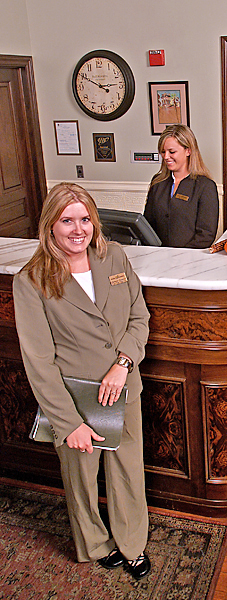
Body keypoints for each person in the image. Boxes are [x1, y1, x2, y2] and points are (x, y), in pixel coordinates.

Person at [13, 183, 151, 580]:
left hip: (123, 388)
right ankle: (93, 543)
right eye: (67, 220)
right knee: (81, 479)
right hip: (74, 399)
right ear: (50, 226)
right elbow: (38, 360)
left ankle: (132, 544)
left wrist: (123, 362)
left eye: (85, 218)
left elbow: (140, 318)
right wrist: (67, 422)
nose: (79, 229)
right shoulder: (32, 281)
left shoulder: (115, 258)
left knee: (128, 470)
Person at [144, 124, 219, 248]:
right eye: (163, 152)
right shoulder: (157, 183)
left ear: (188, 151)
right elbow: (147, 226)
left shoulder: (205, 186)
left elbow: (206, 235)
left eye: (172, 152)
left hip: (190, 261)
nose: (166, 157)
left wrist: (180, 257)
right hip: (158, 258)